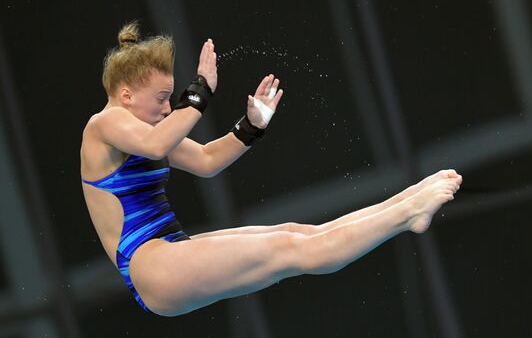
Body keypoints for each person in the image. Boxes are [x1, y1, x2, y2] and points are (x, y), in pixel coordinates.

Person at [80, 22, 462, 317]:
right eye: (163, 99)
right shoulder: (104, 125)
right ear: (126, 95)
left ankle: (406, 200)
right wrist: (199, 92)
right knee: (290, 249)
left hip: (171, 253)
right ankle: (408, 213)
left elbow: (207, 161)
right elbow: (157, 144)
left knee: (295, 234)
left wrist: (250, 127)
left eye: (170, 99)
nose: (168, 109)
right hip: (151, 265)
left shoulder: (145, 130)